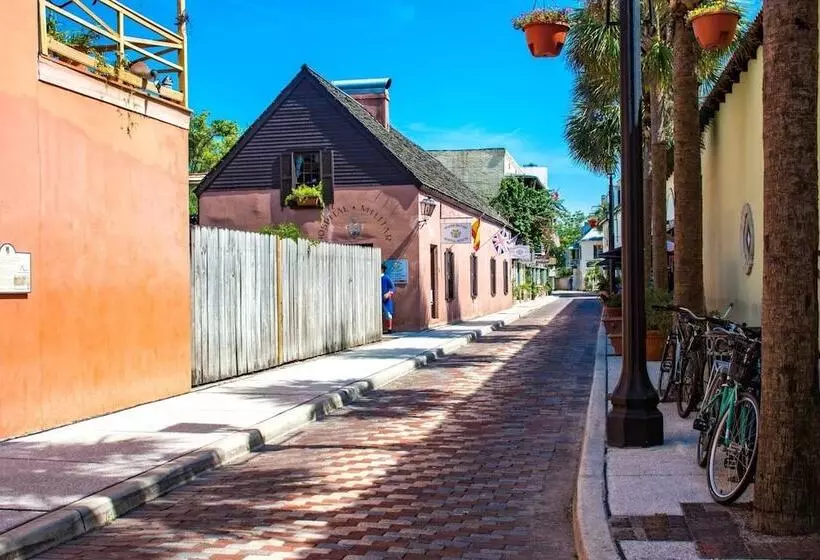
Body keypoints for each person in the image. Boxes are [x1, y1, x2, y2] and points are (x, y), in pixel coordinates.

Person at [381, 263, 395, 334]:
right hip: (377, 299)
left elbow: (392, 288)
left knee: (388, 314)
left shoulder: (386, 278)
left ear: (382, 269)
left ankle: (389, 329)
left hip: (385, 300)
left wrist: (389, 293)